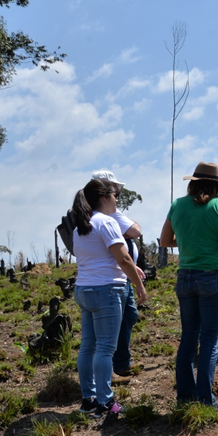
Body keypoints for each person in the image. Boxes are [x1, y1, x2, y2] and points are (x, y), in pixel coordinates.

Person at [160, 162, 218, 411]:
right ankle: (206, 399)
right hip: (212, 275)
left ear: (192, 183)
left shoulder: (177, 205)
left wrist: (187, 240)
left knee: (188, 337)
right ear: (217, 185)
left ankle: (184, 396)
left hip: (185, 276)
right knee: (210, 340)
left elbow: (164, 240)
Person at [72, 179, 147, 417]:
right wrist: (139, 285)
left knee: (88, 346)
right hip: (107, 291)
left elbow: (97, 258)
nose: (116, 200)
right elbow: (123, 259)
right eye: (114, 195)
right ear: (104, 197)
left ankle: (89, 400)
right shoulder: (106, 222)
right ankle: (105, 402)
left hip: (84, 289)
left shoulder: (80, 227)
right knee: (105, 348)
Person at [91, 170, 142, 378]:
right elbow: (135, 231)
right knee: (113, 324)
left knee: (126, 317)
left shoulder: (96, 215)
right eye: (115, 191)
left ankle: (119, 363)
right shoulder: (107, 216)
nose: (117, 196)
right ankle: (111, 369)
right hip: (113, 279)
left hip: (118, 275)